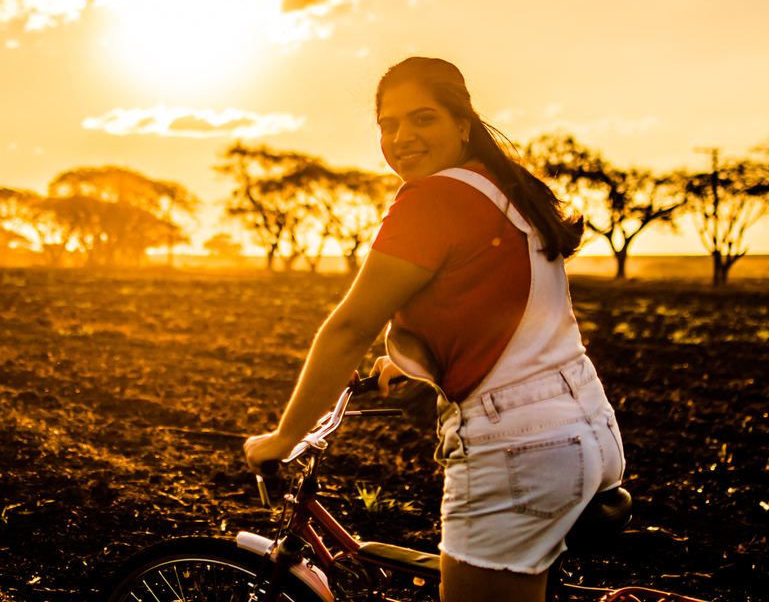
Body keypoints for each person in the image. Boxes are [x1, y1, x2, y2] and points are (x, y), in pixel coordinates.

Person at [244, 57, 625, 602]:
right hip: (585, 428)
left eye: (423, 118)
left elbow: (350, 327)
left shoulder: (433, 199)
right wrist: (414, 361)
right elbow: (497, 306)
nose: (402, 137)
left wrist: (284, 439)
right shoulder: (505, 189)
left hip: (516, 448)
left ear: (462, 124)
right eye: (389, 124)